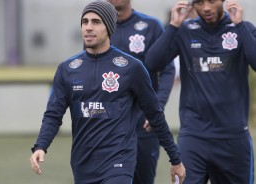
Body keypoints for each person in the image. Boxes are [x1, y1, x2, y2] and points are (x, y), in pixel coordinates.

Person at [29, 1, 186, 184]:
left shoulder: (131, 67)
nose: (88, 27)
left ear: (109, 27)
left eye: (96, 22)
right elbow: (53, 114)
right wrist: (41, 146)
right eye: (85, 22)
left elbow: (155, 115)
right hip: (83, 162)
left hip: (119, 161)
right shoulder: (67, 69)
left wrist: (175, 159)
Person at [145, 0, 256, 183]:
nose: (206, 8)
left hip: (233, 137)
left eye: (211, 1)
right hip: (193, 137)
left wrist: (240, 25)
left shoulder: (241, 28)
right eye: (199, 2)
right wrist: (173, 26)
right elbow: (152, 63)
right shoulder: (185, 31)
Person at [107, 0, 176, 183]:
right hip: (108, 126)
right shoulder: (98, 27)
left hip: (143, 125)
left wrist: (157, 108)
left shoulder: (150, 26)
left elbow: (168, 69)